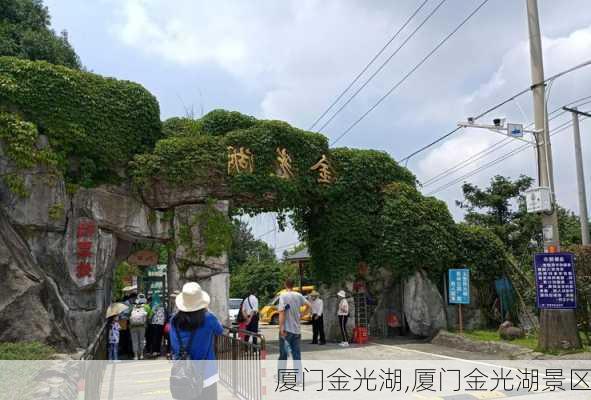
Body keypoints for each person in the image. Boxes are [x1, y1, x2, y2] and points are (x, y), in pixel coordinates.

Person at [170, 282, 224, 400]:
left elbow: (174, 345)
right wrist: (207, 310)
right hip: (207, 372)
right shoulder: (208, 318)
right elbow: (220, 330)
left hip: (183, 373)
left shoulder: (174, 320)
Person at [278, 278, 310, 383]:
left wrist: (281, 327)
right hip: (297, 330)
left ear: (285, 284)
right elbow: (309, 305)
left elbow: (282, 312)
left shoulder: (283, 296)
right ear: (293, 285)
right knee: (296, 355)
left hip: (286, 330)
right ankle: (299, 377)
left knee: (283, 354)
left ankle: (282, 377)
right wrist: (302, 314)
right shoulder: (299, 295)